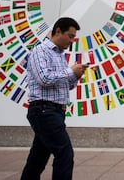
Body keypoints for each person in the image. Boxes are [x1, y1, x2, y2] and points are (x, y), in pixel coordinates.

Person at [21, 17, 88, 180]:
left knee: (38, 158)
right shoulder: (40, 51)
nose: (72, 41)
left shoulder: (60, 55)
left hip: (55, 112)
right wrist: (70, 72)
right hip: (44, 111)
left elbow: (64, 85)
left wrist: (76, 76)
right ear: (58, 31)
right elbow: (44, 79)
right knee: (64, 153)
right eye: (70, 36)